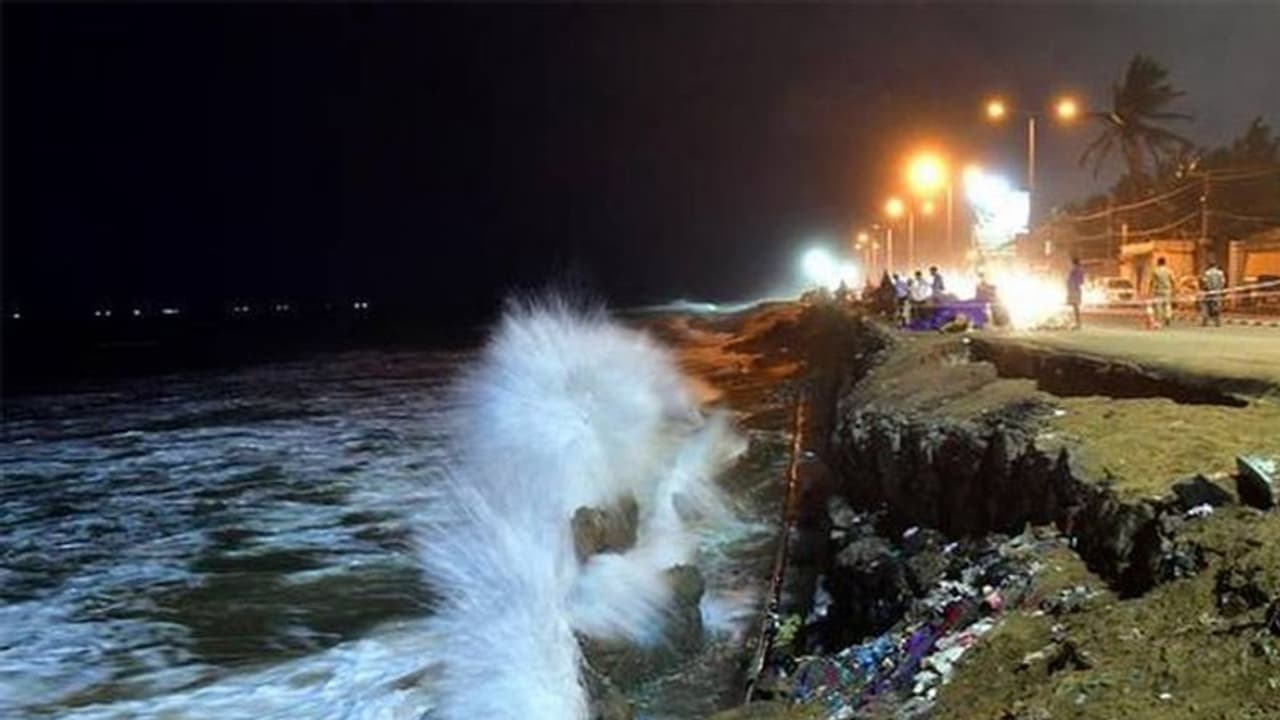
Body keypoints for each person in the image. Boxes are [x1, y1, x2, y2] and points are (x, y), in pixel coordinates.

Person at [1150, 257, 1175, 328]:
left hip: (1158, 290)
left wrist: (1150, 290)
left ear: (1158, 262)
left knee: (1158, 306)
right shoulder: (1169, 271)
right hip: (1167, 290)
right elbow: (1173, 280)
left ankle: (1159, 320)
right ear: (1165, 263)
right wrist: (1174, 289)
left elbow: (1152, 281)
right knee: (1167, 304)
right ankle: (1168, 316)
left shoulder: (1155, 271)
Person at [1200, 259, 1226, 327]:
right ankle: (1217, 322)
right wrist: (1221, 289)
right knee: (1217, 306)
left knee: (1206, 306)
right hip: (1218, 292)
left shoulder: (1207, 273)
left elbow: (1204, 282)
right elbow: (1223, 282)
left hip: (1208, 292)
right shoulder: (1220, 273)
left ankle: (1205, 321)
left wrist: (1205, 289)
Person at [1066, 257, 1085, 330]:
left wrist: (1069, 287)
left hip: (1073, 289)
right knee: (1075, 306)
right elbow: (1082, 281)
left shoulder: (1074, 270)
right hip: (1078, 289)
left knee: (1075, 306)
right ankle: (1078, 322)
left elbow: (1069, 279)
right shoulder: (1081, 270)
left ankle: (1077, 323)